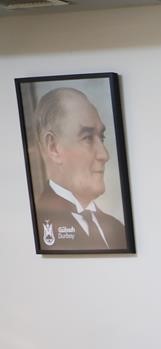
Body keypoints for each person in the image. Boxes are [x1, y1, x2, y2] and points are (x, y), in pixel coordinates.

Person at [30, 86, 129, 252]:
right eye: (87, 138)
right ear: (53, 147)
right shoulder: (39, 222)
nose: (104, 155)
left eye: (101, 138)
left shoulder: (117, 229)